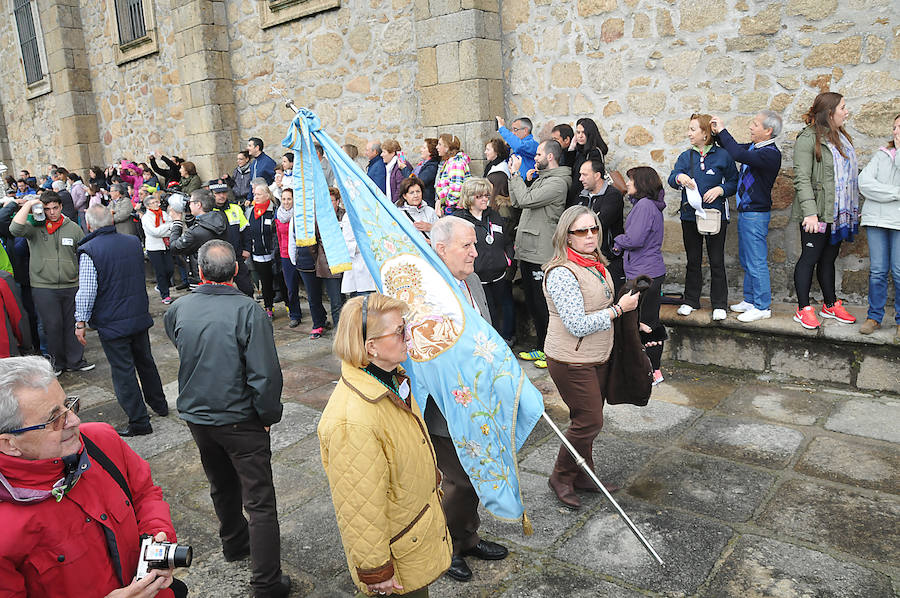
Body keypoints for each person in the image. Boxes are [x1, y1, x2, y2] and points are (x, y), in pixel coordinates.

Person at [0, 356, 186, 598]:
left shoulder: (100, 440)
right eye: (55, 419)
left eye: (69, 405)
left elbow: (144, 493)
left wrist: (157, 539)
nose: (75, 421)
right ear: (9, 443)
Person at [164, 240, 289, 598]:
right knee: (260, 500)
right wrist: (267, 415)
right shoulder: (248, 310)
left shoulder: (180, 307)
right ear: (235, 271)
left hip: (199, 415)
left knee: (221, 482)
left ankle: (235, 543)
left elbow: (183, 344)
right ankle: (266, 583)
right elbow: (265, 374)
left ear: (200, 272)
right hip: (238, 418)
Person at [318, 293, 452, 597]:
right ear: (371, 347)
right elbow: (358, 503)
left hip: (410, 535)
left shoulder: (391, 380)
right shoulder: (352, 420)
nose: (409, 335)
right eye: (399, 331)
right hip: (396, 556)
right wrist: (375, 570)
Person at [426, 216, 509, 582]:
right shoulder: (427, 290)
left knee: (477, 474)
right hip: (446, 405)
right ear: (441, 249)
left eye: (475, 244)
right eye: (467, 246)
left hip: (480, 400)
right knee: (457, 480)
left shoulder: (471, 280)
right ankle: (444, 548)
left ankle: (467, 536)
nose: (476, 252)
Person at [543, 206, 640, 509]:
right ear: (566, 237)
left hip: (597, 355)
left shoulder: (595, 264)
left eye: (594, 229)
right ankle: (560, 476)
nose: (589, 236)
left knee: (587, 419)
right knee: (588, 421)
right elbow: (576, 324)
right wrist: (619, 310)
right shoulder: (562, 272)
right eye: (581, 231)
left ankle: (584, 474)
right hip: (571, 359)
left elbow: (604, 303)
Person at [75, 206, 168, 437]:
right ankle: (160, 404)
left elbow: (87, 291)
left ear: (89, 225)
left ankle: (139, 422)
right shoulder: (132, 242)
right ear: (112, 220)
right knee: (146, 362)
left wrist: (80, 321)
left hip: (112, 321)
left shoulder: (89, 250)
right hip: (136, 314)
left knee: (123, 371)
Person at [791, 92, 859, 330]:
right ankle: (803, 308)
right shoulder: (807, 139)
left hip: (837, 212)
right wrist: (810, 212)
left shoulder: (840, 136)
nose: (846, 111)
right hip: (816, 212)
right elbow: (801, 178)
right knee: (809, 258)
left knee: (828, 258)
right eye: (843, 107)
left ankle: (830, 304)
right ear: (830, 113)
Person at [711, 111, 783, 323]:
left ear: (768, 131)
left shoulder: (770, 153)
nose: (751, 127)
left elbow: (738, 154)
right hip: (747, 213)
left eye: (755, 124)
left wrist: (723, 130)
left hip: (756, 214)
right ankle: (750, 300)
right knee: (747, 259)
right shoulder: (755, 147)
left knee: (756, 261)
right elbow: (731, 147)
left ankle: (762, 306)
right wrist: (716, 133)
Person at [9, 192, 93, 375]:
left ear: (61, 207)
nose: (52, 212)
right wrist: (30, 204)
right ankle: (56, 364)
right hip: (43, 285)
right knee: (51, 326)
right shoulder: (34, 227)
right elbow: (14, 229)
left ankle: (75, 361)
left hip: (70, 283)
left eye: (55, 208)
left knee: (71, 324)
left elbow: (83, 252)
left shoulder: (72, 228)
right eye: (47, 209)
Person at [668, 113, 738, 321]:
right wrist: (679, 178)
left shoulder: (723, 156)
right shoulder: (685, 156)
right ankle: (691, 300)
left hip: (715, 216)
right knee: (693, 259)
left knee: (716, 260)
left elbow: (734, 182)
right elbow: (672, 178)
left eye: (693, 129)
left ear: (705, 133)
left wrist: (720, 189)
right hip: (689, 216)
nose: (688, 133)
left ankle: (719, 304)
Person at [509, 139, 571, 368]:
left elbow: (525, 199)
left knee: (544, 304)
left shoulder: (557, 183)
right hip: (528, 250)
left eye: (538, 154)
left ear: (551, 157)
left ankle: (552, 351)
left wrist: (515, 176)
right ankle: (542, 346)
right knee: (534, 303)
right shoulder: (541, 179)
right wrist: (518, 180)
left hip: (541, 252)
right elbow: (518, 202)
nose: (534, 158)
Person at [612, 167, 668, 385]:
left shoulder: (644, 206)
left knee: (642, 322)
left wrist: (617, 241)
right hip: (649, 271)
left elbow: (634, 239)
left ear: (642, 184)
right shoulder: (648, 205)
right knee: (649, 320)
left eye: (631, 180)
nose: (628, 184)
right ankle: (653, 371)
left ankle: (649, 371)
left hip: (644, 274)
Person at [453, 178, 515, 344]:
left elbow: (507, 241)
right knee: (486, 313)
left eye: (486, 195)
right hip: (476, 278)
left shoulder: (494, 215)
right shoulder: (459, 219)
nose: (485, 199)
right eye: (479, 196)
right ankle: (489, 343)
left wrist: (507, 260)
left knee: (506, 308)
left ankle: (507, 340)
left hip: (499, 274)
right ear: (469, 197)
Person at [858, 113, 900, 338]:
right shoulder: (881, 155)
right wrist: (895, 193)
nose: (895, 132)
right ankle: (874, 317)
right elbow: (864, 184)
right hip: (875, 220)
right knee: (877, 272)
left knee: (899, 271)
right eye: (894, 127)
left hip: (898, 222)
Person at [576, 151, 625, 292]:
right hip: (583, 258)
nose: (580, 179)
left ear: (597, 176)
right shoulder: (581, 196)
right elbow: (569, 221)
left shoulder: (613, 195)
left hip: (606, 259)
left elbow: (599, 223)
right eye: (580, 174)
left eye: (584, 175)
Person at [210, 181, 254, 297]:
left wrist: (247, 249)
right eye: (218, 193)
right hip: (218, 259)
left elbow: (245, 230)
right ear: (212, 194)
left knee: (247, 288)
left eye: (224, 192)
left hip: (236, 256)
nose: (222, 196)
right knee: (222, 292)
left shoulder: (235, 208)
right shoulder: (208, 211)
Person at [246, 179, 279, 319]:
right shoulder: (250, 211)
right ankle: (268, 307)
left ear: (267, 195)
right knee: (265, 282)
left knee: (280, 281)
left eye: (259, 194)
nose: (256, 197)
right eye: (255, 195)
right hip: (258, 254)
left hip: (274, 253)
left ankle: (290, 305)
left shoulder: (274, 210)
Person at [168, 188, 228, 259]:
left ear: (198, 205)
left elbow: (174, 248)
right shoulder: (221, 217)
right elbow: (201, 225)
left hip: (201, 267)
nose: (189, 205)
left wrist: (177, 222)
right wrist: (188, 214)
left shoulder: (194, 233)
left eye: (190, 202)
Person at [274, 189, 304, 327]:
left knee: (310, 287)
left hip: (301, 254)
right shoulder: (279, 216)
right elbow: (279, 237)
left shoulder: (300, 215)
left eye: (289, 199)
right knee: (291, 288)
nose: (286, 202)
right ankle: (295, 314)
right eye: (284, 199)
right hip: (286, 255)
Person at [141, 192, 175, 304]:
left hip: (166, 245)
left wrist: (166, 228)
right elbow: (155, 232)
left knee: (170, 269)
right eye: (153, 203)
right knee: (160, 271)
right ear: (147, 206)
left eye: (156, 202)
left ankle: (161, 286)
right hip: (154, 247)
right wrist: (167, 227)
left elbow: (173, 225)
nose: (156, 204)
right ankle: (165, 295)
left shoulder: (163, 214)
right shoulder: (146, 218)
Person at [569, 118, 610, 207]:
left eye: (583, 132)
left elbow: (591, 179)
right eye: (578, 132)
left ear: (590, 134)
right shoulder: (579, 150)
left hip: (585, 197)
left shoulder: (594, 153)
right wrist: (572, 147)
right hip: (577, 194)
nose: (580, 136)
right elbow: (568, 168)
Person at [435, 134, 471, 215]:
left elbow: (457, 188)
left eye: (440, 144)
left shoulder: (456, 162)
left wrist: (448, 206)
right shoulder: (451, 161)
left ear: (447, 147)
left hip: (454, 209)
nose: (437, 147)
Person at [397, 176, 438, 240]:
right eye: (411, 193)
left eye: (418, 191)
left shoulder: (430, 211)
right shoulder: (399, 214)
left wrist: (431, 227)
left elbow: (442, 235)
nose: (416, 195)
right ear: (404, 196)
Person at [382, 139, 413, 204]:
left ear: (392, 153)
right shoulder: (391, 166)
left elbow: (400, 189)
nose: (381, 155)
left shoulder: (400, 166)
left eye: (384, 152)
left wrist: (392, 205)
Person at [413, 138, 441, 208]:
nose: (421, 150)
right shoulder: (423, 164)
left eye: (424, 148)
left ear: (430, 151)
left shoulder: (432, 167)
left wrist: (404, 168)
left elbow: (417, 182)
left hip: (427, 204)